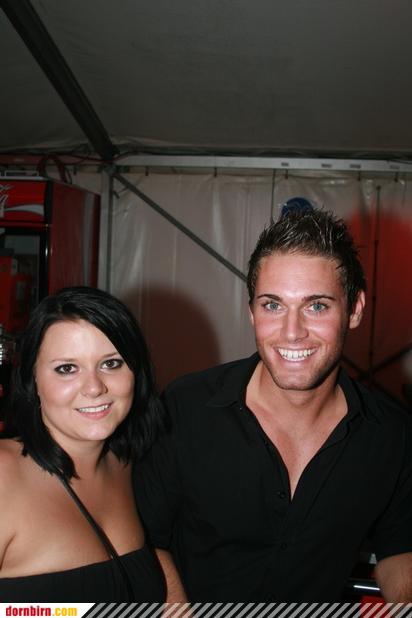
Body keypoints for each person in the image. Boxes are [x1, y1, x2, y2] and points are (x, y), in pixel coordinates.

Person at [135, 206, 412, 602]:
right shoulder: (186, 408)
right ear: (251, 311)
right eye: (273, 305)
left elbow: (399, 549)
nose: (292, 332)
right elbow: (143, 536)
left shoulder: (392, 436)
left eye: (317, 306)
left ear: (354, 309)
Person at [0, 286, 167, 602]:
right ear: (33, 380)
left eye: (111, 363)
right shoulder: (4, 477)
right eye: (67, 368)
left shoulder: (128, 465)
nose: (94, 387)